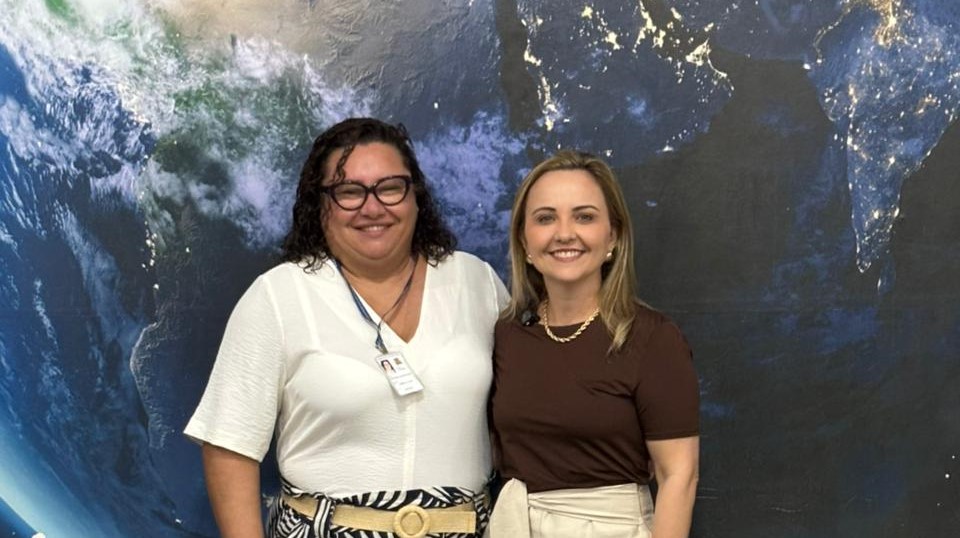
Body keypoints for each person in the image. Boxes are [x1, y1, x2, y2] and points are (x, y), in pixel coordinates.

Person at [185, 118, 509, 538]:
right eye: (349, 192)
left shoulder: (476, 282)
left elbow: (521, 416)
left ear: (415, 195)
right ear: (319, 205)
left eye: (390, 187)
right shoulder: (278, 296)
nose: (372, 208)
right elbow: (230, 446)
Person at [488, 151, 700, 538]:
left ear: (612, 236)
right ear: (524, 239)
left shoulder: (651, 338)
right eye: (545, 218)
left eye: (584, 217)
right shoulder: (508, 335)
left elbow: (678, 475)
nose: (564, 233)